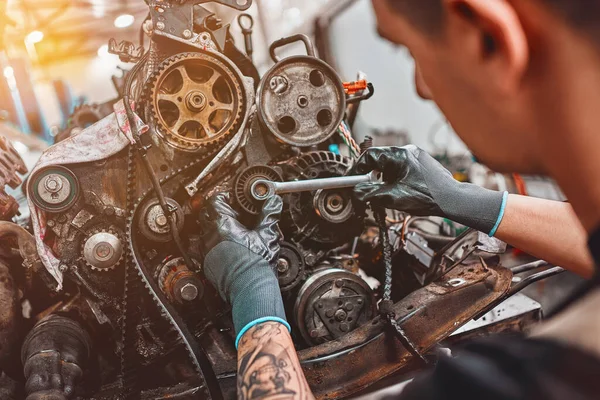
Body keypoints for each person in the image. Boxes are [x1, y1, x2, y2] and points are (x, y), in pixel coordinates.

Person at [202, 0, 600, 398]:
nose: (421, 88)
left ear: (487, 38)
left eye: (409, 51)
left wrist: (253, 293)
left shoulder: (505, 386)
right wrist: (463, 200)